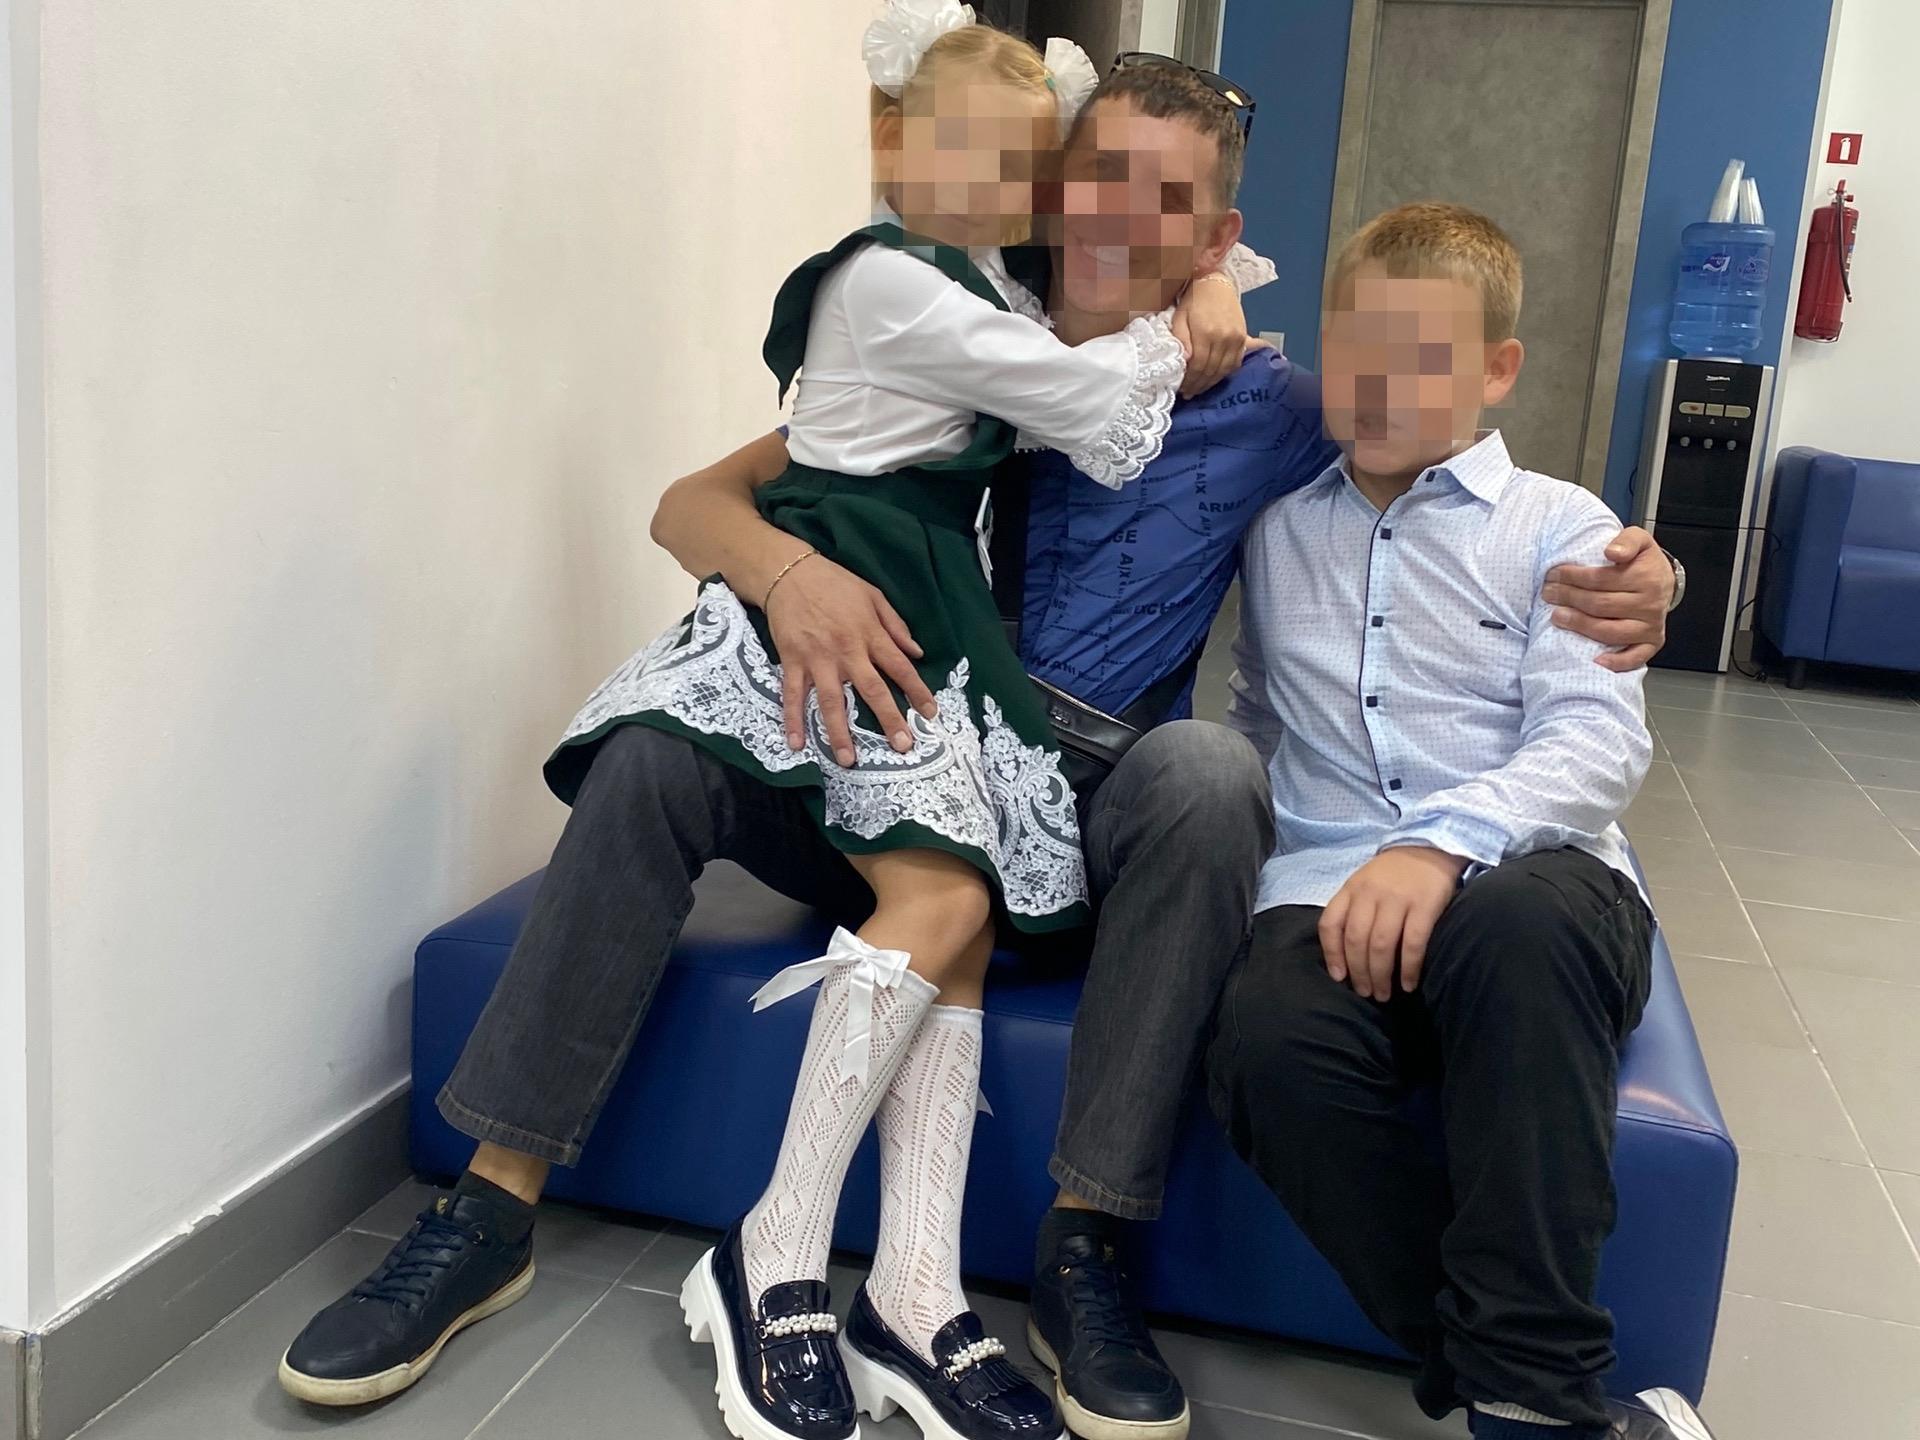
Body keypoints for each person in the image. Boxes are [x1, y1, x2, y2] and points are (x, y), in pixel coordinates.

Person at [274, 51, 1678, 1440]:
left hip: (1082, 805)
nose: (1122, 213)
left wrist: (1643, 572)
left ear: (1219, 238)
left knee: (1207, 773)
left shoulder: (1273, 407)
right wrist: (788, 577)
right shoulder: (948, 339)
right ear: (1054, 188)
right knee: (656, 756)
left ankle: (1086, 1247)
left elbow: (1426, 437)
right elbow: (692, 505)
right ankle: (490, 1207)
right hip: (888, 763)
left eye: (1169, 197)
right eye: (1101, 172)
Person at [1207, 202, 1716, 1440]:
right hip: (1330, 882)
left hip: (1532, 879)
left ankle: (1530, 1401)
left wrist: (1440, 843)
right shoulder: (1280, 534)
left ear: (1497, 369)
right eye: (1360, 349)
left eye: (1426, 357)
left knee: (1516, 930)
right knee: (1265, 1048)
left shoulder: (1563, 527)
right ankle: (1515, 1372)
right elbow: (1264, 714)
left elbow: (1597, 741)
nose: (1384, 384)